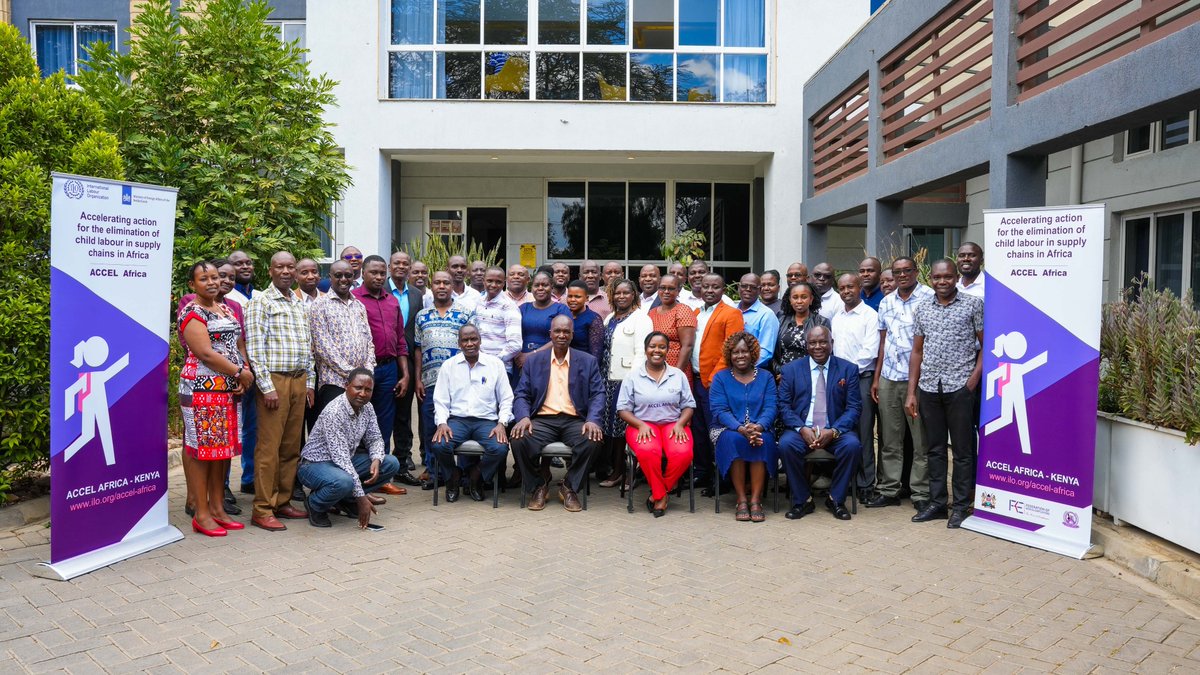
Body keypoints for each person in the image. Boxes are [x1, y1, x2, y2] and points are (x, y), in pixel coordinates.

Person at [178, 261, 255, 536]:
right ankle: (201, 513)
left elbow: (234, 345)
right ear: (192, 285)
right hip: (201, 389)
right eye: (204, 279)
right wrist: (239, 372)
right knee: (202, 452)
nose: (211, 282)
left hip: (227, 388)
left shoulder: (223, 308)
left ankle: (218, 509)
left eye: (214, 277)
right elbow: (205, 353)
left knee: (222, 451)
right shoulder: (192, 312)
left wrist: (239, 375)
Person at [907, 259, 984, 529]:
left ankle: (961, 506)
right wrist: (911, 392)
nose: (942, 282)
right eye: (937, 277)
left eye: (948, 277)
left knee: (963, 451)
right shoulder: (922, 308)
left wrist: (972, 381)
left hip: (959, 387)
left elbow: (986, 345)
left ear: (955, 278)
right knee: (935, 450)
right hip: (929, 387)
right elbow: (917, 351)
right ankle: (938, 504)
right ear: (931, 278)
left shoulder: (973, 304)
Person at [244, 251, 314, 531]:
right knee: (269, 449)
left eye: (290, 267)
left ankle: (283, 501)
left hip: (298, 380)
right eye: (280, 267)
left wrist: (309, 382)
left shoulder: (298, 303)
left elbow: (307, 345)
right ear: (270, 270)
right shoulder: (260, 301)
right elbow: (255, 348)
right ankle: (262, 508)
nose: (286, 271)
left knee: (290, 447)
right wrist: (266, 386)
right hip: (275, 382)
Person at [510, 315, 605, 512]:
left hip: (574, 420)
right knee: (519, 439)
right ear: (550, 334)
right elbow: (521, 394)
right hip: (542, 420)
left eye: (566, 332)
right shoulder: (534, 361)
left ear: (572, 335)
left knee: (593, 439)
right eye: (557, 331)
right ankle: (538, 486)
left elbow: (598, 393)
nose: (562, 335)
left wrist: (593, 420)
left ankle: (569, 486)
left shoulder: (587, 361)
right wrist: (523, 417)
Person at [868, 256, 934, 511]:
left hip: (917, 379)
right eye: (898, 272)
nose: (903, 275)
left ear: (916, 272)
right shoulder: (886, 302)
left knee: (921, 441)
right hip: (889, 378)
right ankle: (889, 489)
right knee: (889, 440)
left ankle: (921, 492)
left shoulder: (929, 297)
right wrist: (876, 378)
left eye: (908, 270)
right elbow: (883, 343)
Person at [297, 368, 401, 529]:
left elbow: (375, 438)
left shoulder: (368, 408)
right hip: (314, 465)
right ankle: (315, 504)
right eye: (358, 388)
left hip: (343, 462)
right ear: (346, 386)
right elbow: (341, 459)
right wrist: (361, 497)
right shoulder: (334, 412)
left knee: (390, 463)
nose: (362, 393)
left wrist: (376, 459)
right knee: (343, 481)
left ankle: (346, 500)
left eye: (368, 390)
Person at [778, 325, 862, 522]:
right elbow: (783, 406)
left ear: (831, 344)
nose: (818, 346)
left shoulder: (848, 369)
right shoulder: (791, 370)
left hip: (834, 430)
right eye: (813, 343)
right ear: (806, 346)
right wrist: (801, 428)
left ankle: (836, 499)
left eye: (823, 341)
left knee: (852, 446)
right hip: (802, 429)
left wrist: (833, 431)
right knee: (786, 445)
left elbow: (854, 408)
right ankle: (803, 500)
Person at [430, 324, 513, 503]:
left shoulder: (495, 365)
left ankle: (477, 477)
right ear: (459, 343)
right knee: (438, 445)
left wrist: (502, 423)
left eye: (473, 339)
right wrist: (442, 423)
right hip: (457, 421)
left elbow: (507, 398)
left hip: (486, 422)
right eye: (465, 340)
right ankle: (453, 476)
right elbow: (440, 399)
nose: (469, 343)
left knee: (500, 448)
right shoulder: (449, 366)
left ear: (480, 340)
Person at [617, 332, 695, 517]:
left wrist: (680, 424)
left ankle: (659, 494)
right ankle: (661, 496)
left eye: (662, 347)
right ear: (645, 349)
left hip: (673, 424)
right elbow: (623, 410)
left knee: (683, 453)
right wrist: (640, 425)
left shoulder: (678, 375)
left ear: (668, 350)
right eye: (652, 346)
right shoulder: (633, 376)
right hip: (641, 425)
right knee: (648, 451)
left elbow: (689, 406)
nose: (657, 350)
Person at [708, 331, 778, 523]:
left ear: (752, 353)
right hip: (727, 429)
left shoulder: (766, 377)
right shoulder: (720, 378)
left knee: (762, 442)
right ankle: (741, 499)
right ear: (729, 355)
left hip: (761, 429)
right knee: (735, 440)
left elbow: (771, 406)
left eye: (745, 351)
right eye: (736, 352)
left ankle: (755, 500)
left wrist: (759, 426)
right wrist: (740, 428)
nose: (740, 356)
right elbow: (719, 410)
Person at [414, 271, 475, 484]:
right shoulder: (422, 316)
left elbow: (473, 345)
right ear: (432, 286)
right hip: (430, 381)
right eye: (437, 282)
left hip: (461, 382)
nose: (442, 286)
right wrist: (418, 379)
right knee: (432, 428)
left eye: (446, 283)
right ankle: (435, 473)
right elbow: (418, 349)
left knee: (463, 424)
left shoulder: (466, 314)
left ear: (452, 286)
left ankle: (465, 474)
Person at [352, 256, 411, 468]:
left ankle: (382, 470)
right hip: (363, 370)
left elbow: (401, 340)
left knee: (384, 422)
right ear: (363, 273)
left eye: (381, 273)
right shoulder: (353, 299)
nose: (378, 277)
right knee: (358, 420)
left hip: (389, 369)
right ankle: (360, 470)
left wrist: (405, 375)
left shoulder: (392, 301)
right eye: (373, 273)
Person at [690, 273, 745, 489]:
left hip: (716, 382)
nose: (710, 291)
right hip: (694, 378)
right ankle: (702, 472)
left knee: (717, 430)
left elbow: (731, 350)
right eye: (706, 287)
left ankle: (723, 477)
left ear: (723, 290)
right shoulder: (695, 313)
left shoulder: (732, 314)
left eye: (715, 287)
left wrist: (714, 379)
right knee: (699, 429)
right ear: (699, 289)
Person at [597, 279, 654, 488]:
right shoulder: (610, 318)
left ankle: (628, 472)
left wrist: (632, 382)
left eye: (626, 293)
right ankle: (616, 469)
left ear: (634, 296)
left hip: (627, 381)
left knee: (626, 429)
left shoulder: (642, 319)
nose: (621, 296)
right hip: (607, 379)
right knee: (611, 429)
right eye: (617, 293)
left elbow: (642, 352)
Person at [830, 273, 880, 503]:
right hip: (837, 382)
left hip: (860, 379)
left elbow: (870, 351)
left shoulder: (870, 315)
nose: (846, 291)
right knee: (841, 430)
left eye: (850, 286)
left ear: (859, 287)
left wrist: (845, 374)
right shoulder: (836, 316)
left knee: (863, 431)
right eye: (842, 288)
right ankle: (845, 478)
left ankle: (866, 483)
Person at [308, 261, 375, 421]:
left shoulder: (359, 305)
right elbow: (323, 347)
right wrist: (353, 375)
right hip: (334, 383)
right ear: (330, 277)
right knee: (335, 433)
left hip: (362, 384)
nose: (343, 279)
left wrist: (367, 372)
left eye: (348, 275)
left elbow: (369, 341)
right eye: (338, 275)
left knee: (358, 434)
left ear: (354, 277)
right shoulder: (320, 305)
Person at [388, 251, 425, 482]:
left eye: (405, 264)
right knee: (382, 412)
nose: (401, 267)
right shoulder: (379, 289)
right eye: (397, 263)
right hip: (383, 358)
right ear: (390, 266)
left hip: (408, 359)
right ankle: (380, 462)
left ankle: (402, 459)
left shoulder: (416, 294)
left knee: (403, 413)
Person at [227, 250, 256, 497]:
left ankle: (250, 477)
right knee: (229, 429)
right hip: (230, 372)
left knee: (252, 427)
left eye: (248, 262)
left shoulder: (259, 295)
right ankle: (223, 485)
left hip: (254, 371)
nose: (244, 266)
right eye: (239, 263)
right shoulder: (227, 298)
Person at [516, 271, 572, 373]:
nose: (540, 288)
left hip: (550, 361)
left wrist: (533, 354)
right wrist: (518, 356)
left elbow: (564, 338)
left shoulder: (561, 309)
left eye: (545, 285)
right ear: (531, 288)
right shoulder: (523, 308)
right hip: (521, 362)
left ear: (552, 287)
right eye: (536, 285)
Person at [647, 274, 696, 385]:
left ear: (678, 291)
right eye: (662, 288)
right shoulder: (652, 313)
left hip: (677, 368)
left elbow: (687, 346)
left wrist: (676, 374)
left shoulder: (683, 310)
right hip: (654, 368)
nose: (666, 291)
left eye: (671, 288)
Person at [473, 266, 523, 371]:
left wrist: (493, 361)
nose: (494, 285)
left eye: (498, 282)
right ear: (483, 281)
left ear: (504, 283)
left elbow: (515, 345)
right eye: (490, 281)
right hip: (476, 365)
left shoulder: (509, 306)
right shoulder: (478, 302)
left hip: (499, 368)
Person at [772, 281, 829, 372]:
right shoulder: (780, 321)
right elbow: (773, 353)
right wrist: (780, 372)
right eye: (795, 297)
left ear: (811, 299)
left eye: (804, 297)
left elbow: (825, 352)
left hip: (810, 375)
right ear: (790, 300)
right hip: (783, 376)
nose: (799, 301)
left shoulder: (821, 322)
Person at [735, 273, 779, 367]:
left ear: (759, 290)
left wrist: (742, 368)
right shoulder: (732, 310)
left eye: (753, 287)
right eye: (744, 286)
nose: (748, 289)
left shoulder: (767, 315)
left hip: (752, 372)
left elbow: (766, 352)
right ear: (739, 288)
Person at [564, 280, 604, 358]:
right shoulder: (564, 316)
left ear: (586, 298)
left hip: (583, 365)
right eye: (570, 296)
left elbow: (596, 353)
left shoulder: (594, 319)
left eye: (577, 297)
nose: (572, 300)